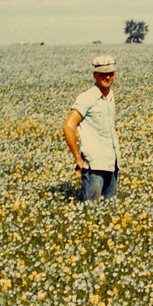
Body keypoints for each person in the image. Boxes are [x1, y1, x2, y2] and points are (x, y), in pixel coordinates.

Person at [63, 56, 120, 202]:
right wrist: (78, 158)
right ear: (94, 75)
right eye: (102, 74)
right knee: (90, 210)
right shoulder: (86, 98)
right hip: (94, 165)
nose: (107, 77)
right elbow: (68, 126)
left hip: (112, 162)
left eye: (111, 73)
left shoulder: (110, 95)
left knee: (109, 208)